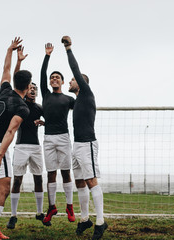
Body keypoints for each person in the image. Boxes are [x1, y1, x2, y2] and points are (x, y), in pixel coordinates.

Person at [0, 37, 31, 240]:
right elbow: (10, 132)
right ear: (28, 87)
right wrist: (1, 155)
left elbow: (6, 69)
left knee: (0, 187)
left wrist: (10, 51)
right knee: (4, 187)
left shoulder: (4, 89)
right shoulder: (22, 108)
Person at [62, 36, 107, 240]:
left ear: (81, 82)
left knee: (91, 181)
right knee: (79, 182)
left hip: (87, 143)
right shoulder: (78, 100)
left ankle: (100, 222)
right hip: (77, 145)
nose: (70, 82)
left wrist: (68, 49)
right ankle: (85, 219)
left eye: (73, 80)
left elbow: (74, 70)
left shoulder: (87, 93)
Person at [6, 47, 45, 229]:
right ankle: (13, 215)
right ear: (26, 89)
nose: (33, 90)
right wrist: (19, 61)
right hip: (21, 146)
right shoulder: (20, 103)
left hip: (36, 147)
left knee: (38, 179)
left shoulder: (39, 108)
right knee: (18, 180)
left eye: (35, 89)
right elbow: (16, 79)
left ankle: (39, 212)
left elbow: (52, 119)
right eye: (31, 87)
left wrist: (45, 123)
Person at [40, 43, 75, 226]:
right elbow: (42, 73)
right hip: (48, 138)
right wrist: (47, 56)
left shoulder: (69, 99)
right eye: (52, 77)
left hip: (63, 137)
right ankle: (52, 207)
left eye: (57, 77)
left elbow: (81, 110)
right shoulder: (45, 95)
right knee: (51, 174)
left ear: (62, 82)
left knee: (66, 173)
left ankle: (70, 206)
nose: (54, 79)